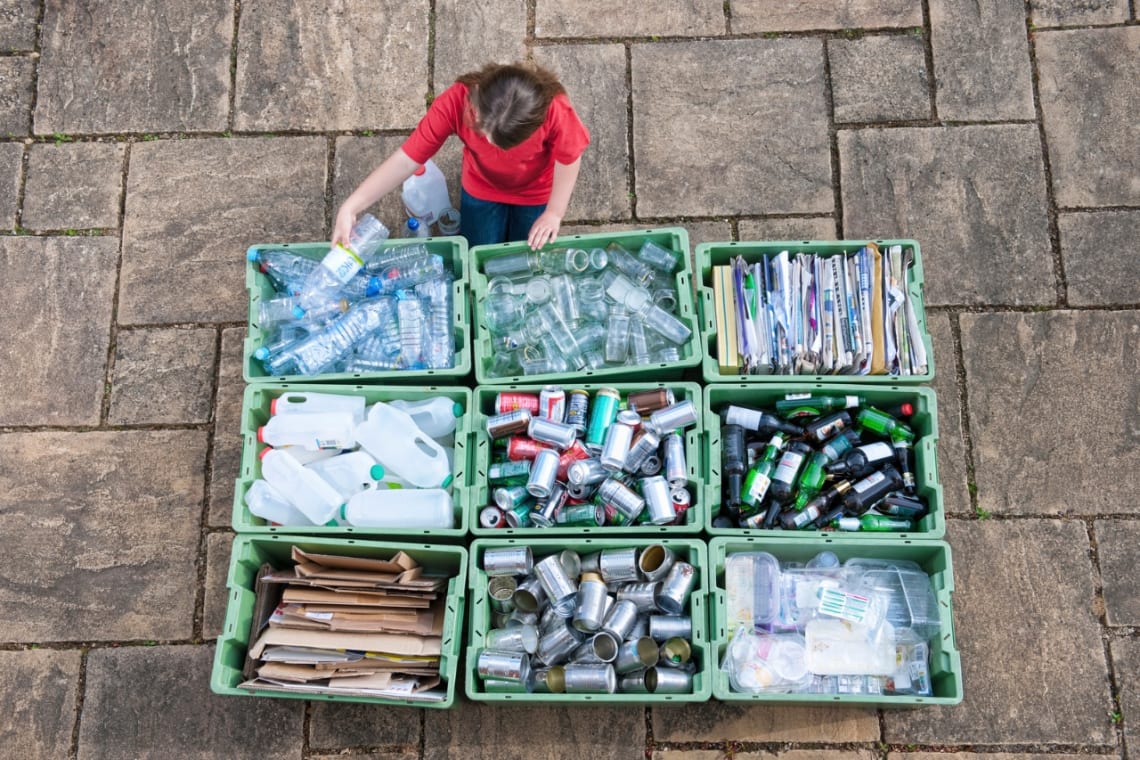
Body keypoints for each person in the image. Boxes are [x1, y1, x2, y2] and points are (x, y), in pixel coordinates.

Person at [333, 62, 590, 250]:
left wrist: (554, 213)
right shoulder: (455, 101)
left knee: (524, 250)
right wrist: (351, 206)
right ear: (476, 97)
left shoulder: (555, 109)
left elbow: (569, 158)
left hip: (536, 191)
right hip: (482, 187)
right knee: (479, 247)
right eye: (485, 134)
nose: (491, 146)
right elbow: (407, 159)